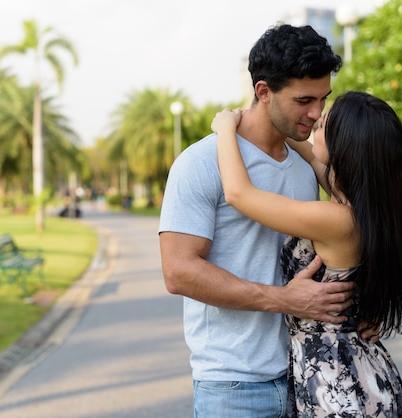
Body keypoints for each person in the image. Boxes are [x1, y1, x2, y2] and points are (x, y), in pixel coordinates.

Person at [159, 24, 375, 417]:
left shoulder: (308, 166)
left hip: (309, 376)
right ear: (263, 92)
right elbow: (178, 272)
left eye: (323, 99)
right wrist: (284, 300)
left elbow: (356, 233)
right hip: (234, 385)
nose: (317, 113)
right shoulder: (201, 163)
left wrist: (366, 307)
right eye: (304, 100)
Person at [211, 90, 402, 416]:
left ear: (345, 146)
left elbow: (238, 193)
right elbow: (313, 156)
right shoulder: (368, 207)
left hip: (337, 384)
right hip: (357, 369)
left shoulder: (335, 219)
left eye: (323, 126)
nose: (314, 122)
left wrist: (224, 127)